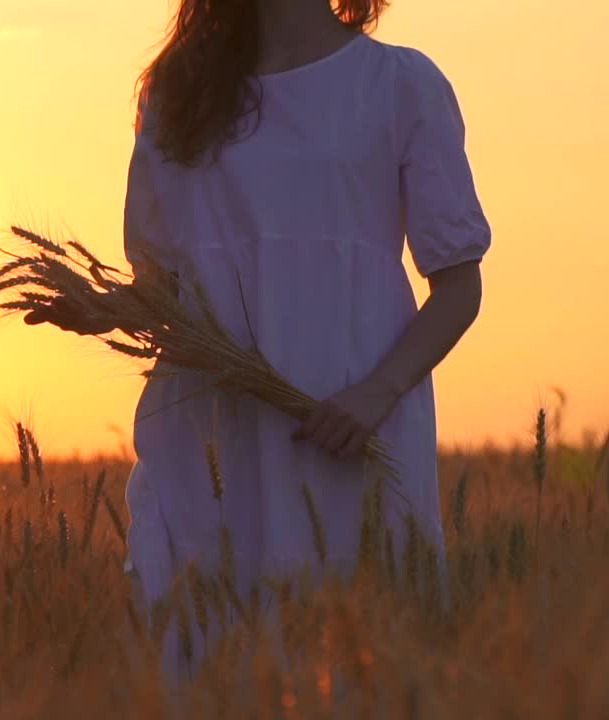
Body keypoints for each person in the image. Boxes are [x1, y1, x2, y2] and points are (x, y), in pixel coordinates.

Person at [25, 0, 490, 679]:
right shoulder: (180, 91)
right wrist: (102, 309)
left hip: (348, 429)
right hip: (211, 436)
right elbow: (164, 289)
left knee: (366, 657)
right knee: (211, 658)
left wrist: (375, 394)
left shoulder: (400, 84)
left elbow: (459, 285)